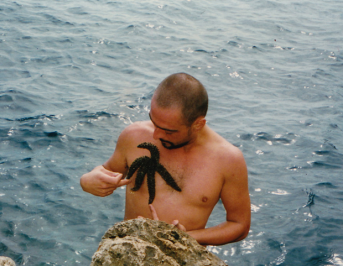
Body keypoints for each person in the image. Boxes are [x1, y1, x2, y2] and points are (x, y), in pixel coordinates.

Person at [80, 73, 251, 246]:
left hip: (182, 262)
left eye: (168, 131)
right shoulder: (134, 136)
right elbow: (105, 172)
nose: (156, 135)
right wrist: (87, 181)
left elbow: (239, 225)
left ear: (198, 125)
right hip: (128, 251)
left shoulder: (228, 160)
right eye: (153, 122)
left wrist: (186, 237)